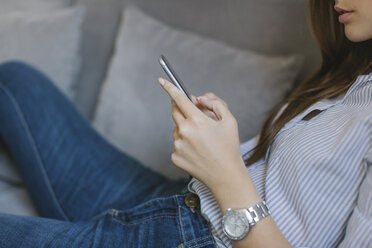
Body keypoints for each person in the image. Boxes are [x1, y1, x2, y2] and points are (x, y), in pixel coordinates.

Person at [0, 0, 371, 247]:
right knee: (16, 83)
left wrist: (226, 174)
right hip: (175, 198)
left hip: (192, 235)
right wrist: (218, 146)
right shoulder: (355, 76)